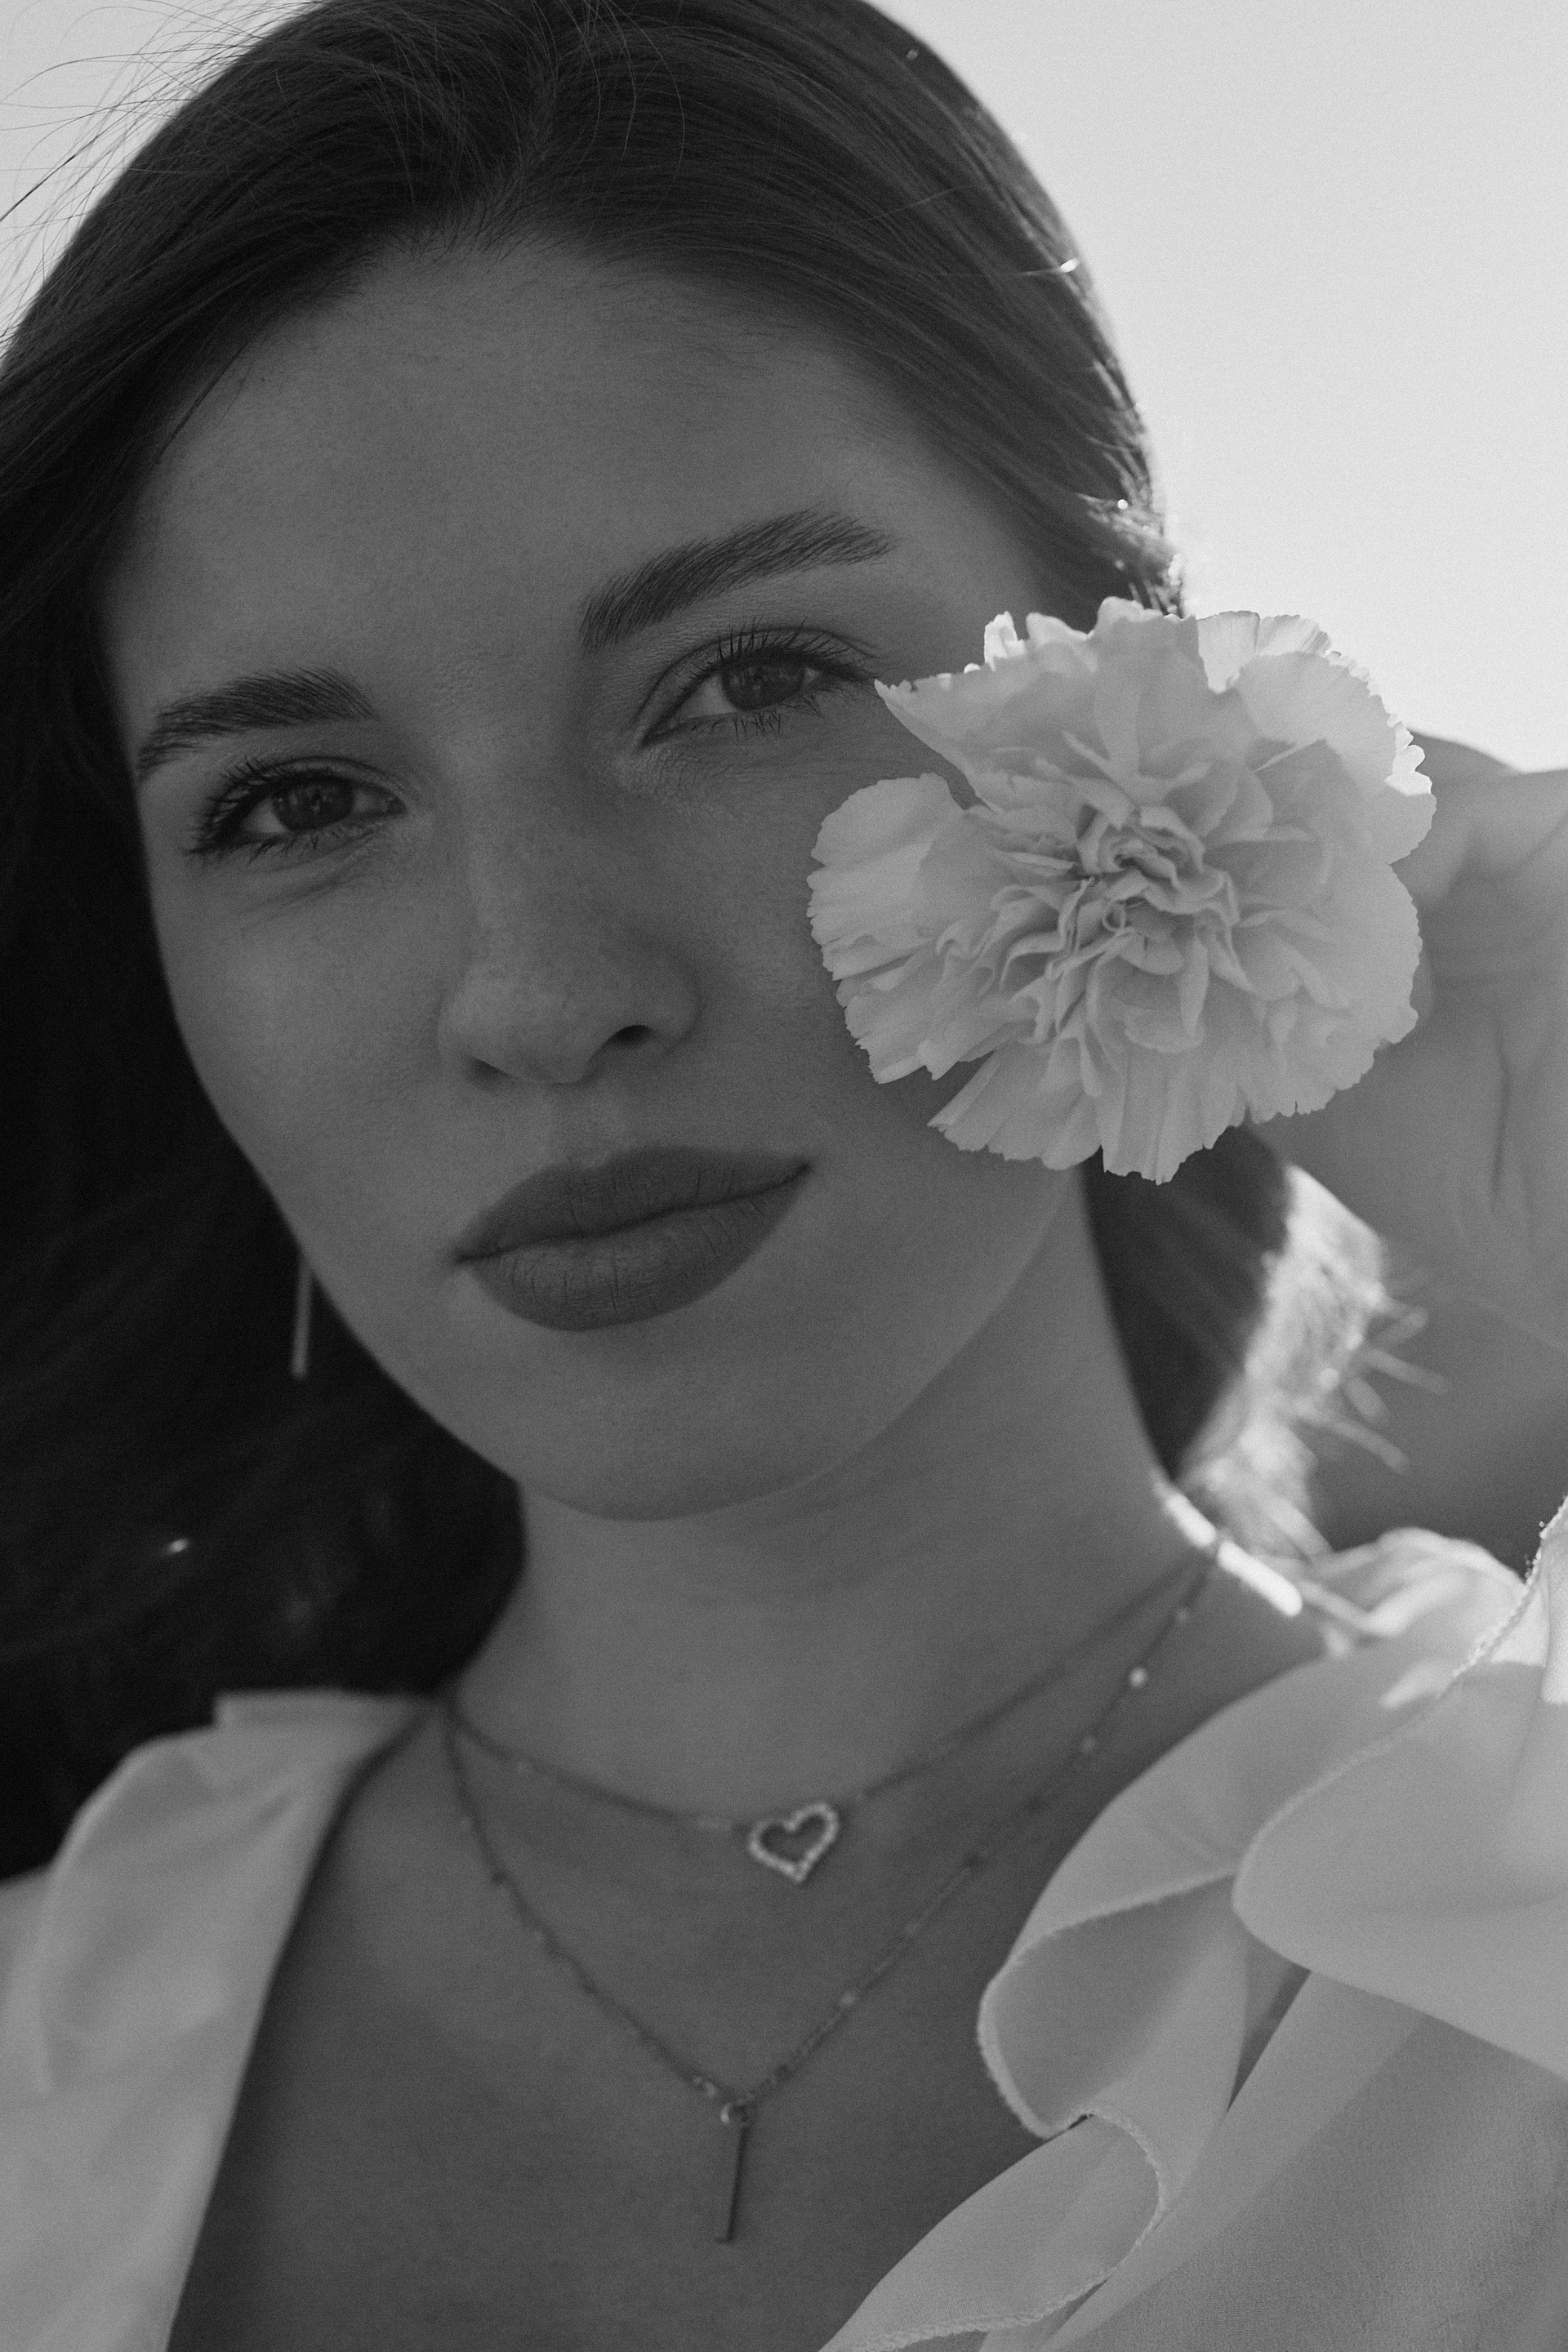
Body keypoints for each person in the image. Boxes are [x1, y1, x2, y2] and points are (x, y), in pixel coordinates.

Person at [0, 2, 1564, 2345]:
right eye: (295, 804)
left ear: (1124, 694)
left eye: (744, 683)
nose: (543, 992)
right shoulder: (41, 2055)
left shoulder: (1518, 1938)